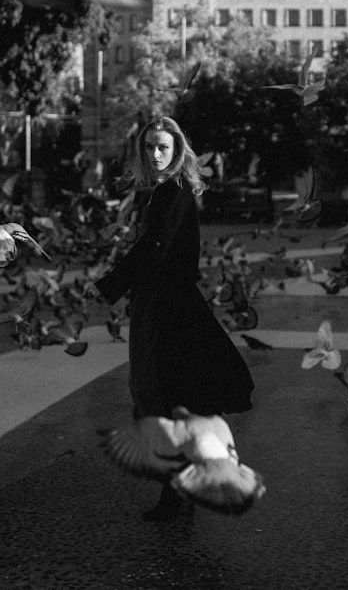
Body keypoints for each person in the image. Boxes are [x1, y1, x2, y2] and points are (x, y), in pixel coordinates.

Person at [93, 117, 255, 521]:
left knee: (159, 394)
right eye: (149, 147)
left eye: (163, 146)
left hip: (167, 305)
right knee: (161, 394)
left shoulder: (173, 191)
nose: (155, 154)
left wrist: (112, 283)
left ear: (178, 149)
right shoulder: (167, 191)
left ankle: (178, 494)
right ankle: (179, 490)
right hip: (161, 301)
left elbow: (155, 246)